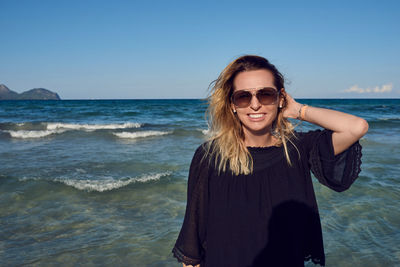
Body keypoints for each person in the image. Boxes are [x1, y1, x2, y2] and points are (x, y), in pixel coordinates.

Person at [172, 55, 368, 267]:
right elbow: (193, 238)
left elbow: (356, 127)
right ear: (232, 105)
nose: (255, 105)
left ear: (280, 99)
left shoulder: (298, 149)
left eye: (266, 95)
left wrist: (298, 110)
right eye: (243, 97)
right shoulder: (210, 156)